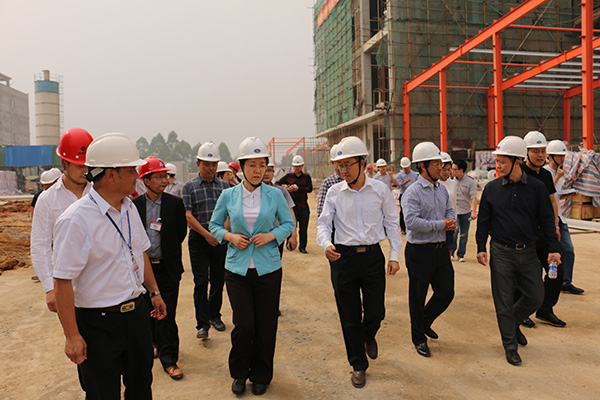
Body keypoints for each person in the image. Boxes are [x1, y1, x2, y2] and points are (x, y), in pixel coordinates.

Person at [53, 132, 167, 398]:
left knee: (141, 387)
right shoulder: (75, 220)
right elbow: (62, 281)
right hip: (98, 324)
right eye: (131, 170)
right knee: (103, 393)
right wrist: (72, 336)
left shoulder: (128, 208)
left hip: (136, 315)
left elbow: (140, 252)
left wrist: (154, 292)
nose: (137, 175)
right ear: (111, 175)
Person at [209, 137, 295, 396]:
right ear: (242, 167)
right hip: (238, 270)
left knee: (266, 325)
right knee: (244, 324)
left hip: (268, 269)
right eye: (252, 165)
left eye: (262, 165)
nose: (258, 170)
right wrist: (230, 237)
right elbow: (214, 225)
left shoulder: (275, 194)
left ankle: (261, 375)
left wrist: (271, 236)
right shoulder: (228, 195)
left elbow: (288, 224)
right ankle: (239, 372)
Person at [316, 136, 401, 389]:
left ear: (362, 163)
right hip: (343, 259)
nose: (343, 170)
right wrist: (326, 244)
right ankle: (358, 365)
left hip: (372, 257)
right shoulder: (334, 192)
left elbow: (392, 223)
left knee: (376, 312)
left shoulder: (380, 190)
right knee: (349, 315)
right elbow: (323, 224)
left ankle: (368, 334)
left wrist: (394, 255)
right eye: (339, 166)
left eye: (348, 164)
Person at [476, 136, 561, 366]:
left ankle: (511, 323)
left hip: (529, 251)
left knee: (536, 296)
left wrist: (554, 249)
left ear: (516, 162)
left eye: (502, 161)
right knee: (503, 301)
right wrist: (480, 247)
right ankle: (510, 346)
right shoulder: (492, 189)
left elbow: (547, 220)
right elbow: (483, 221)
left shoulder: (537, 188)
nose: (498, 165)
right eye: (497, 161)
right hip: (501, 252)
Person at [133, 156, 188, 380]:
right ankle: (153, 345)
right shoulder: (134, 206)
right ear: (146, 180)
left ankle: (170, 359)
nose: (164, 180)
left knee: (167, 314)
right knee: (147, 313)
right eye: (158, 177)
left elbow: (180, 233)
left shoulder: (175, 204)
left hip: (167, 268)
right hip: (143, 271)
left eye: (165, 176)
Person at [401, 141, 456, 358]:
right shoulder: (412, 192)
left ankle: (424, 321)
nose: (440, 168)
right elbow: (411, 222)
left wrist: (450, 221)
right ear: (422, 166)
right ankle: (419, 338)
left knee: (446, 292)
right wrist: (442, 224)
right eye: (435, 164)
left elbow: (449, 210)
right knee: (418, 296)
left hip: (440, 250)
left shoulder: (441, 189)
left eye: (440, 163)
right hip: (420, 251)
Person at [31, 128, 94, 312]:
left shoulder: (99, 193)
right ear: (64, 164)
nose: (85, 171)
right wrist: (49, 288)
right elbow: (40, 246)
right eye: (79, 166)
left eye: (88, 165)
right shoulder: (47, 199)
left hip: (100, 284)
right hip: (67, 285)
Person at [182, 142, 230, 339]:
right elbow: (188, 216)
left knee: (218, 279)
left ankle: (214, 315)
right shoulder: (189, 187)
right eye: (206, 164)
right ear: (198, 164)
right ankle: (202, 324)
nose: (211, 168)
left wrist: (220, 233)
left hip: (220, 239)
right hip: (199, 239)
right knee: (201, 282)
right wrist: (207, 235)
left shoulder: (225, 187)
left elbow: (230, 213)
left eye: (214, 164)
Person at [521, 130, 565, 328]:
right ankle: (522, 311)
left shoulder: (546, 175)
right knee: (527, 276)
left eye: (543, 151)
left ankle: (546, 309)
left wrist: (555, 226)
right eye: (535, 151)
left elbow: (552, 201)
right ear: (526, 152)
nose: (540, 155)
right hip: (526, 234)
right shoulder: (520, 174)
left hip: (545, 233)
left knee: (557, 271)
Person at [544, 140, 583, 295]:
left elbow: (556, 195)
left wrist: (569, 193)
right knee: (545, 252)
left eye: (563, 156)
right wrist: (557, 178)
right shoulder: (545, 173)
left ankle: (566, 282)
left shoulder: (560, 173)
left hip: (560, 217)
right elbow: (545, 193)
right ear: (550, 157)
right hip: (548, 219)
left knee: (568, 250)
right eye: (559, 156)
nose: (562, 159)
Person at [276, 155, 313, 254]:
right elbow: (277, 183)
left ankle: (302, 247)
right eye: (296, 166)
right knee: (290, 226)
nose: (297, 168)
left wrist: (298, 188)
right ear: (293, 166)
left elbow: (310, 189)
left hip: (303, 206)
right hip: (291, 207)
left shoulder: (306, 177)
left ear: (302, 166)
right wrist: (285, 188)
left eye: (299, 166)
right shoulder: (288, 177)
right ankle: (290, 244)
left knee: (303, 228)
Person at [263, 160, 298, 255]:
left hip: (277, 237)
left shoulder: (281, 192)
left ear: (273, 172)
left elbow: (290, 214)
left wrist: (293, 235)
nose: (266, 174)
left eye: (269, 170)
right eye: (264, 170)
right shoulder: (252, 192)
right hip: (258, 237)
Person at [451, 159, 478, 262]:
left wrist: (474, 212)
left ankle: (461, 254)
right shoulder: (450, 180)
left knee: (464, 234)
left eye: (454, 169)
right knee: (455, 231)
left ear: (461, 170)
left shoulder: (470, 182)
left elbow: (474, 197)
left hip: (465, 211)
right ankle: (451, 252)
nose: (452, 171)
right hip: (454, 211)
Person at [316, 144, 343, 218]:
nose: (342, 165)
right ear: (332, 163)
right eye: (339, 162)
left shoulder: (352, 182)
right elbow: (321, 209)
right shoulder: (327, 183)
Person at [439, 152, 457, 258]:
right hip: (438, 223)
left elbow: (454, 203)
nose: (447, 172)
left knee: (449, 248)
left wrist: (454, 220)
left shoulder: (453, 184)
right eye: (444, 169)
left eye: (449, 169)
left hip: (450, 223)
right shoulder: (435, 185)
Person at [395, 157, 419, 234]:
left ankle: (413, 227)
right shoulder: (399, 175)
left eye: (407, 167)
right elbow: (399, 185)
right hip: (403, 194)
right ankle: (403, 228)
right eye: (405, 168)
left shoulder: (414, 174)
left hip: (413, 195)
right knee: (403, 211)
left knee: (414, 210)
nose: (406, 169)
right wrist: (406, 182)